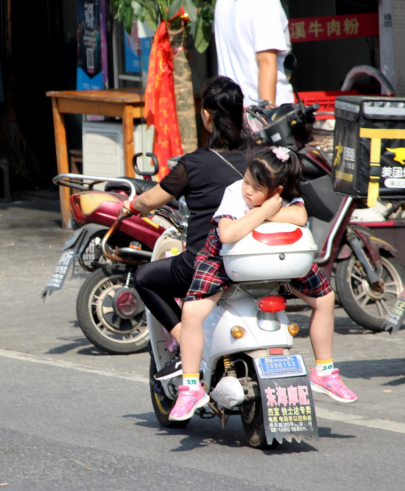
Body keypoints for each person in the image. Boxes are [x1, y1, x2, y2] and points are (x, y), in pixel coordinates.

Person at [168, 147, 358, 422]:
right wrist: (266, 209)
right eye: (246, 180)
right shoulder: (234, 191)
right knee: (191, 312)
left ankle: (324, 371)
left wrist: (258, 213)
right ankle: (190, 386)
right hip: (226, 256)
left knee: (325, 299)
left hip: (272, 255)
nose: (246, 190)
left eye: (256, 188)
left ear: (277, 189)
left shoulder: (289, 196)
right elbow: (228, 232)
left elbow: (300, 219)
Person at [125, 76, 250, 380]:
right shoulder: (262, 158)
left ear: (207, 116)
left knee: (144, 278)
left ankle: (186, 341)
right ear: (241, 111)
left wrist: (131, 205)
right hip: (254, 264)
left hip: (203, 265)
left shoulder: (193, 164)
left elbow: (152, 199)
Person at [213, 0, 293, 107]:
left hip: (231, 108)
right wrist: (267, 117)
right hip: (260, 111)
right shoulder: (264, 3)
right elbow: (266, 62)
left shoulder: (222, 3)